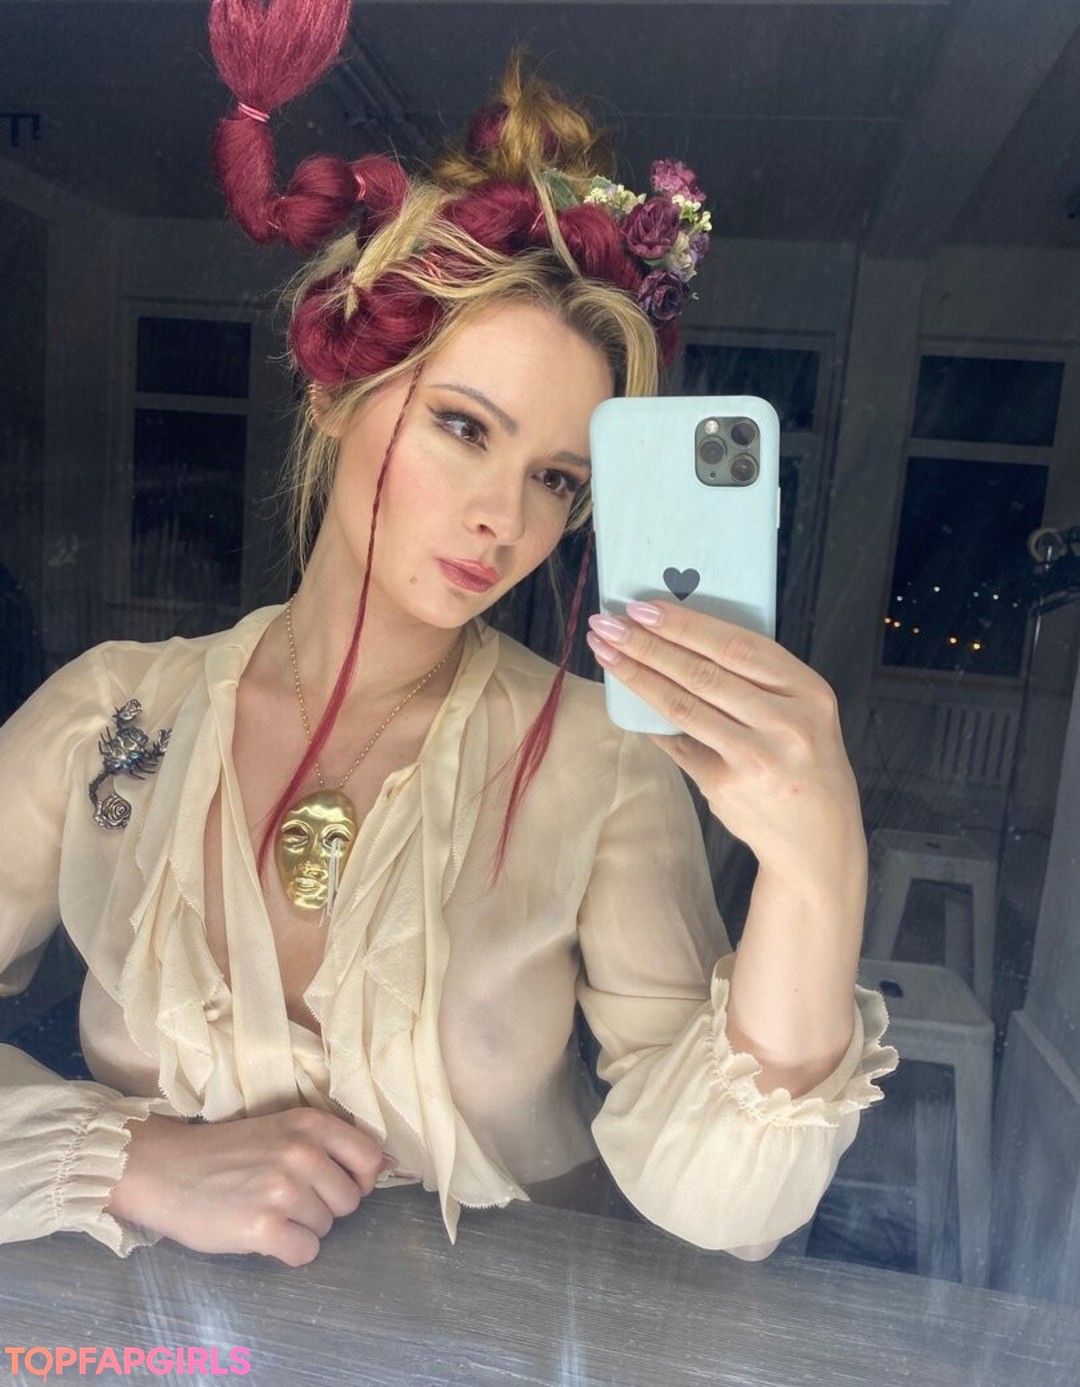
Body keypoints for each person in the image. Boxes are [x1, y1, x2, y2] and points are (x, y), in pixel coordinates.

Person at [0, 0, 896, 1267]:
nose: (505, 520)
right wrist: (133, 1159)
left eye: (557, 480)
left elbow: (727, 1212)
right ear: (337, 394)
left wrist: (818, 870)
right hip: (175, 1347)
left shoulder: (595, 759)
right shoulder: (115, 718)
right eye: (464, 427)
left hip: (497, 1346)